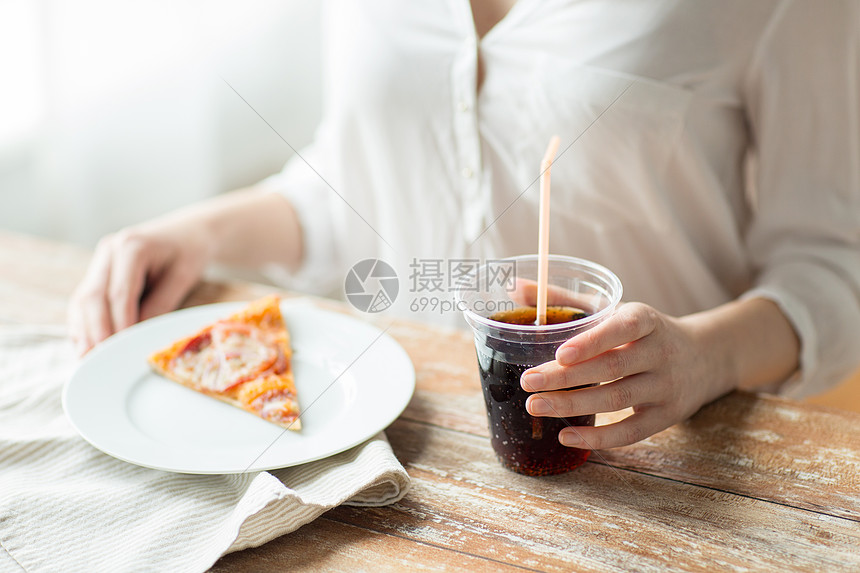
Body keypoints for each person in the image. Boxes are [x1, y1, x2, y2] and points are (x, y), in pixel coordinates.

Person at [69, 0, 860, 450]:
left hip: (647, 464)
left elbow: (833, 268)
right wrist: (196, 234)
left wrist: (703, 357)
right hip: (385, 446)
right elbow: (363, 187)